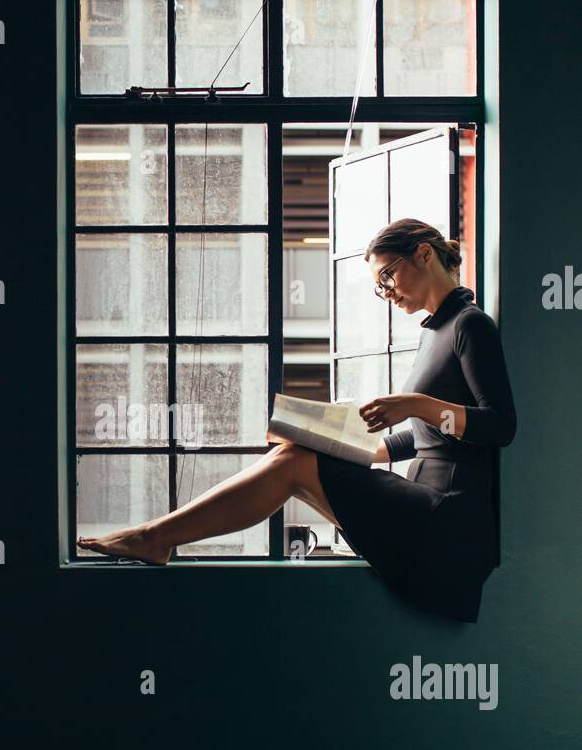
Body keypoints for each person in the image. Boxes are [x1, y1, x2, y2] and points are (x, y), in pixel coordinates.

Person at [78, 218, 517, 623]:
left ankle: (155, 537)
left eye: (387, 275)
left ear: (424, 254)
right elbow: (428, 437)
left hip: (450, 520)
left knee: (293, 464)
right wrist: (361, 445)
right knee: (295, 451)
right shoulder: (434, 333)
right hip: (426, 503)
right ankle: (157, 537)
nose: (386, 291)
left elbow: (499, 426)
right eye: (379, 285)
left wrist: (416, 404)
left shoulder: (470, 325)